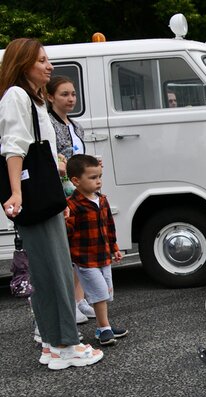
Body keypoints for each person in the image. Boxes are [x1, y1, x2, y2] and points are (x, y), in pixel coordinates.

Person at [0, 37, 103, 369]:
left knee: (48, 271)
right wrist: (15, 192)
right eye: (42, 60)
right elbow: (13, 147)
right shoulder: (17, 95)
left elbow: (34, 145)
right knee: (54, 270)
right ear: (24, 64)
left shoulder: (33, 99)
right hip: (36, 197)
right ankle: (66, 343)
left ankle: (52, 343)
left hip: (44, 195)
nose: (50, 66)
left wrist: (56, 161)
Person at [46, 75, 96, 325]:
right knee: (64, 251)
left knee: (77, 249)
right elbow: (48, 158)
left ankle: (79, 299)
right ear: (50, 96)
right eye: (64, 94)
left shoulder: (77, 126)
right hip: (60, 193)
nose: (70, 99)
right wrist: (61, 165)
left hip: (78, 192)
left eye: (73, 94)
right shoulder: (47, 124)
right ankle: (68, 303)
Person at [65, 154, 127, 346]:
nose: (98, 181)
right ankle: (104, 328)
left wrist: (114, 247)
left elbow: (109, 225)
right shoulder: (72, 205)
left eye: (99, 176)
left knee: (106, 291)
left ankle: (103, 326)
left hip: (103, 255)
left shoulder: (102, 200)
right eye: (92, 178)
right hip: (84, 259)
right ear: (76, 181)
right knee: (100, 292)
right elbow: (67, 233)